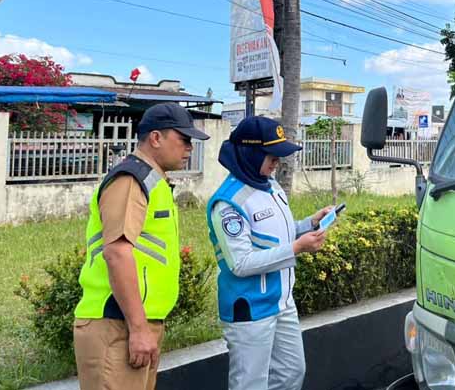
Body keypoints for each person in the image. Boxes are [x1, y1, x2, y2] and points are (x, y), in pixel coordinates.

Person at [73, 103, 210, 390]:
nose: (189, 148)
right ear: (156, 138)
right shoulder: (131, 179)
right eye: (183, 139)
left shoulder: (154, 181)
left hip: (134, 323)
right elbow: (117, 252)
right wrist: (138, 328)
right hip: (117, 323)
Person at [206, 116, 334, 390]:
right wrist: (297, 248)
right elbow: (240, 263)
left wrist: (308, 224)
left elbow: (279, 236)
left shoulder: (271, 186)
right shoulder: (228, 202)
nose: (277, 161)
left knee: (290, 374)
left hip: (282, 302)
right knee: (250, 384)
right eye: (271, 155)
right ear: (250, 153)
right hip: (251, 308)